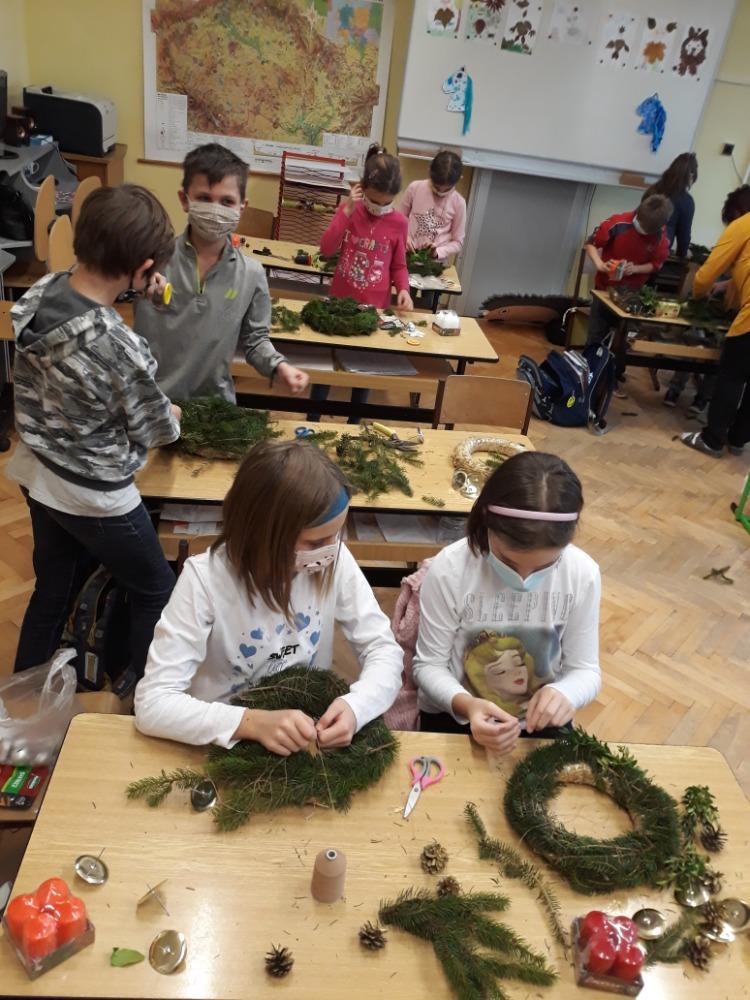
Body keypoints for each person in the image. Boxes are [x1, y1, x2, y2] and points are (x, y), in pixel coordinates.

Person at [7, 185, 182, 680]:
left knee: (52, 590)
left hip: (38, 469)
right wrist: (171, 415)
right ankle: (149, 697)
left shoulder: (42, 292)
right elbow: (155, 429)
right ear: (144, 267)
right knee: (154, 586)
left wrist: (135, 284)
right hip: (93, 493)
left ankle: (22, 701)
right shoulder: (119, 347)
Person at [134, 440, 403, 751]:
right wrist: (251, 723)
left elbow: (384, 650)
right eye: (316, 543)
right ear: (264, 536)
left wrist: (358, 707)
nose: (332, 550)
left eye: (337, 534)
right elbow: (153, 703)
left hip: (304, 734)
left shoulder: (335, 561)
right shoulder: (204, 582)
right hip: (225, 742)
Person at [412, 452, 601, 755]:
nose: (524, 579)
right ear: (485, 523)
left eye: (544, 567)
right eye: (507, 561)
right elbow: (428, 666)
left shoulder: (582, 574)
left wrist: (562, 692)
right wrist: (469, 706)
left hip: (540, 725)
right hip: (455, 715)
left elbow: (586, 671)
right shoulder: (450, 569)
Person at [134, 143, 308, 402]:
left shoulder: (251, 274)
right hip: (152, 404)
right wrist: (135, 288)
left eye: (227, 201)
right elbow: (108, 291)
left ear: (241, 207)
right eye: (204, 198)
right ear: (185, 200)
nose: (215, 209)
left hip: (214, 407)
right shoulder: (152, 259)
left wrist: (278, 366)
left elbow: (255, 341)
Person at [308, 145, 414, 422]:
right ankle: (313, 418)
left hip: (373, 309)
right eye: (374, 201)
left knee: (363, 371)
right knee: (326, 368)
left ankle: (355, 424)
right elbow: (327, 248)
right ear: (362, 188)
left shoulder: (399, 223)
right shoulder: (351, 211)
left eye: (385, 203)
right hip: (339, 303)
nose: (379, 208)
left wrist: (403, 289)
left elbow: (399, 265)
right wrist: (346, 210)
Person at [681, 185, 750, 458]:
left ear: (736, 212)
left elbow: (706, 274)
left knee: (732, 376)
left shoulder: (744, 224)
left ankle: (712, 439)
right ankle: (738, 439)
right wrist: (728, 288)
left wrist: (699, 296)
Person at [585, 194, 672, 352]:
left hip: (633, 295)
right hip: (604, 291)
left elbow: (656, 264)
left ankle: (615, 371)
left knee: (623, 342)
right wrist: (600, 265)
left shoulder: (660, 236)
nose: (642, 232)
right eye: (641, 226)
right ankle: (591, 368)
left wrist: (636, 269)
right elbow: (591, 244)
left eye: (647, 231)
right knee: (596, 336)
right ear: (638, 213)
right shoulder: (619, 223)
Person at [400, 149, 466, 261]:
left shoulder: (459, 203)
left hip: (435, 263)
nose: (441, 192)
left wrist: (438, 252)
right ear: (429, 171)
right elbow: (399, 220)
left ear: (458, 180)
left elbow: (458, 242)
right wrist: (404, 237)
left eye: (447, 189)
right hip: (407, 254)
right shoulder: (415, 188)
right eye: (436, 187)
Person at [644, 152, 698, 258]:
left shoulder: (653, 189)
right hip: (656, 255)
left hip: (636, 246)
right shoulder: (686, 200)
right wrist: (684, 254)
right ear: (690, 175)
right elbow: (684, 236)